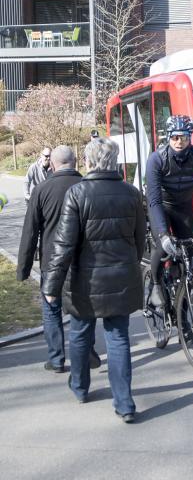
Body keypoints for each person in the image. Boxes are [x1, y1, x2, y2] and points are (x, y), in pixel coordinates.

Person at [42, 139, 146, 422]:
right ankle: (124, 403)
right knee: (118, 338)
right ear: (115, 161)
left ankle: (80, 387)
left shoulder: (77, 194)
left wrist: (51, 287)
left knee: (79, 333)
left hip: (84, 281)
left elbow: (63, 245)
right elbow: (139, 241)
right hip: (121, 276)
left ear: (88, 162)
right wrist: (128, 265)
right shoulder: (131, 193)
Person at [17, 145, 100, 373]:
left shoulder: (42, 189)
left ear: (52, 164)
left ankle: (56, 358)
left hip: (51, 261)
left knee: (51, 308)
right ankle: (86, 351)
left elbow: (30, 232)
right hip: (83, 260)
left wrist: (23, 269)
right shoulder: (88, 186)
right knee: (83, 307)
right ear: (76, 162)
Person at [145, 114, 193, 307]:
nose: (179, 142)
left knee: (187, 251)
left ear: (190, 137)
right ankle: (155, 284)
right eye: (175, 137)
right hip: (161, 205)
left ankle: (182, 307)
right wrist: (163, 234)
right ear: (169, 137)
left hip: (183, 206)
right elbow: (153, 200)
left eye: (184, 137)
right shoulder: (157, 160)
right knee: (162, 246)